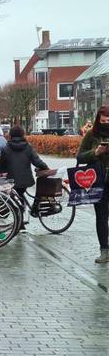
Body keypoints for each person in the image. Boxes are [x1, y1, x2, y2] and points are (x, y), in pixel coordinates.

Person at [0, 126, 49, 230]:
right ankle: (19, 222)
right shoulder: (28, 147)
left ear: (10, 135)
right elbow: (37, 161)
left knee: (17, 199)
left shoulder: (5, 148)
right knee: (19, 197)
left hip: (12, 180)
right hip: (26, 180)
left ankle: (19, 223)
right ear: (22, 135)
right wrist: (46, 167)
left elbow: (2, 168)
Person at [77, 105, 109, 263]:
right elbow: (79, 157)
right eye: (103, 121)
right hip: (98, 180)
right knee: (101, 217)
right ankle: (104, 250)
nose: (106, 123)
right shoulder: (91, 134)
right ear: (98, 120)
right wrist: (95, 153)